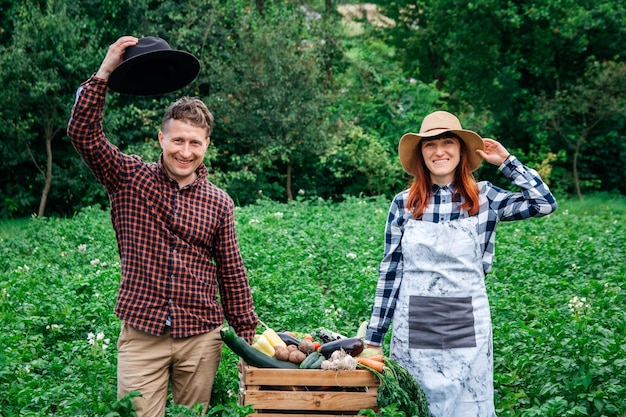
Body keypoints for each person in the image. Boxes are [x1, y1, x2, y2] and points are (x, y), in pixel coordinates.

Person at [67, 36, 258, 416]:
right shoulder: (128, 177)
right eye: (177, 140)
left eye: (195, 143)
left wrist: (248, 342)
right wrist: (105, 71)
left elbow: (232, 274)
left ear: (206, 145)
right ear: (162, 138)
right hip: (143, 332)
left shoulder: (219, 202)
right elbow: (83, 135)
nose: (185, 151)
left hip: (201, 337)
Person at [364, 110, 557, 417]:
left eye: (447, 142)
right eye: (430, 144)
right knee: (418, 405)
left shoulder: (486, 198)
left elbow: (543, 203)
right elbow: (390, 271)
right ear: (421, 154)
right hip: (414, 323)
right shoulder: (403, 203)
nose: (439, 150)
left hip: (467, 322)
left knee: (468, 408)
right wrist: (373, 338)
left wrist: (507, 163)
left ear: (461, 150)